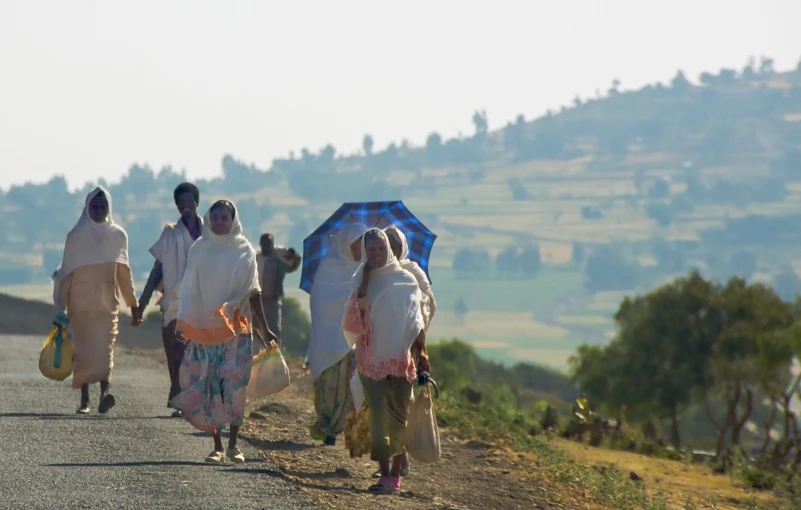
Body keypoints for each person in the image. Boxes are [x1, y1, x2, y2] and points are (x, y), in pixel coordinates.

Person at [172, 200, 277, 464]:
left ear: (233, 219)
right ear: (208, 219)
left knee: (234, 385)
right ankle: (217, 446)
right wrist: (183, 321)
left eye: (224, 217)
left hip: (238, 331)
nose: (219, 222)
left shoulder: (245, 251)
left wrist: (265, 328)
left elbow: (253, 292)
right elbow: (190, 289)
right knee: (211, 387)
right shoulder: (199, 250)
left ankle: (234, 444)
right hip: (205, 330)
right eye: (215, 217)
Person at [342, 228, 431, 494]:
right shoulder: (360, 278)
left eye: (381, 248)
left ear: (389, 250)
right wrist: (367, 278)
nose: (377, 254)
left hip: (401, 360)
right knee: (379, 417)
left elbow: (417, 322)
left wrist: (422, 353)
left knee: (400, 418)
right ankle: (383, 475)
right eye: (371, 250)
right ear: (365, 253)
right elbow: (354, 312)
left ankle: (395, 475)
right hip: (371, 358)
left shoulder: (406, 280)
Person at [52, 186, 140, 414]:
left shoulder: (118, 235)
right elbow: (67, 274)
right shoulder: (75, 236)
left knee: (104, 349)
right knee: (81, 351)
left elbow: (123, 272)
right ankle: (84, 401)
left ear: (108, 208)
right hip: (79, 305)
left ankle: (104, 394)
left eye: (103, 207)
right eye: (94, 206)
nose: (99, 210)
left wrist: (133, 303)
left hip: (107, 303)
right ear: (87, 207)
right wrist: (59, 308)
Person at [134, 182, 203, 418]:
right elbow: (158, 269)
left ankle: (195, 401)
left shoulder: (211, 234)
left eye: (189, 201)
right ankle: (180, 398)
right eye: (180, 202)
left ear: (197, 202)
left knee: (197, 354)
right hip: (173, 302)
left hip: (203, 303)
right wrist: (141, 303)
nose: (185, 206)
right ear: (177, 205)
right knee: (176, 354)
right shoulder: (170, 234)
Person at [307, 223, 368, 446]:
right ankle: (326, 424)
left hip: (351, 339)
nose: (358, 251)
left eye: (362, 246)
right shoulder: (328, 266)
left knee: (348, 385)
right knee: (328, 385)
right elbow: (319, 301)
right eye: (354, 245)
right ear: (343, 244)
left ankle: (336, 427)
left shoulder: (366, 272)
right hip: (326, 338)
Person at [384, 225, 437, 330]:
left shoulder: (412, 270)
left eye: (393, 248)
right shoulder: (375, 272)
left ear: (402, 248)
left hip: (408, 330)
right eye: (386, 247)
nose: (390, 252)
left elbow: (429, 303)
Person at [257, 233, 301, 347]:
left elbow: (295, 262)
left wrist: (290, 253)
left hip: (273, 299)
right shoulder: (256, 259)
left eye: (269, 243)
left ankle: (275, 355)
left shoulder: (279, 260)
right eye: (264, 243)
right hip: (257, 301)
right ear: (260, 244)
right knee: (256, 330)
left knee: (274, 329)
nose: (267, 245)